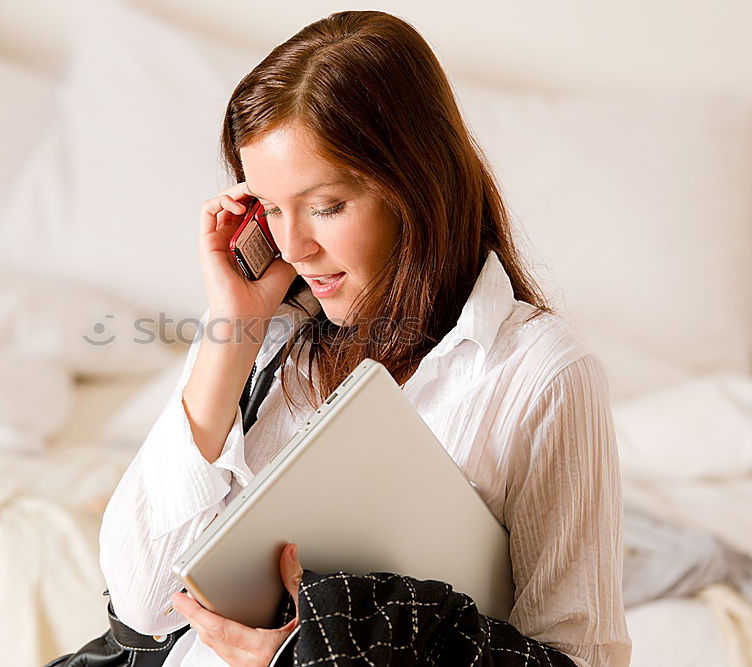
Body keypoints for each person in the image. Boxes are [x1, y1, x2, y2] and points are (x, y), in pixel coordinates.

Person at [98, 9, 631, 666]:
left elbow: (582, 659)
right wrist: (230, 332)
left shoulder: (541, 374)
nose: (294, 246)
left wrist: (306, 655)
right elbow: (138, 600)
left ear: (415, 181)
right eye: (268, 208)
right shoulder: (264, 342)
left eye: (325, 206)